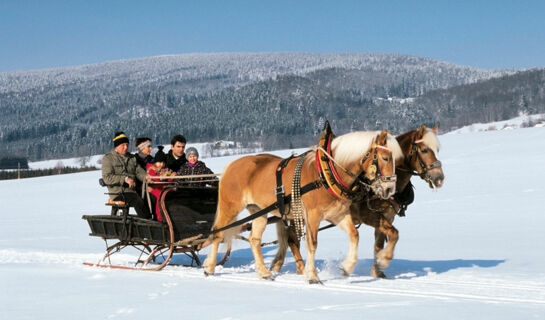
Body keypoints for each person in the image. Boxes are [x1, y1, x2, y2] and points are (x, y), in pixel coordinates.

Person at [102, 132, 151, 219]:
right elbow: (107, 178)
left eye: (127, 145)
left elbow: (139, 171)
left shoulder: (131, 158)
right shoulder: (108, 158)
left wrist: (147, 177)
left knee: (151, 197)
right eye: (123, 145)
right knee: (138, 201)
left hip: (132, 191)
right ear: (116, 146)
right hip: (118, 192)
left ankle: (154, 219)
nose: (126, 147)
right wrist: (125, 179)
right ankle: (147, 222)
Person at [146, 146, 174, 222]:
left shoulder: (165, 170)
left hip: (162, 188)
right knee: (160, 197)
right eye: (159, 162)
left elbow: (169, 179)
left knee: (166, 195)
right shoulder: (152, 169)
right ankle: (159, 216)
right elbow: (154, 178)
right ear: (155, 162)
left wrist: (171, 176)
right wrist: (161, 177)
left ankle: (168, 215)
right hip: (154, 189)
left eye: (163, 162)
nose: (161, 164)